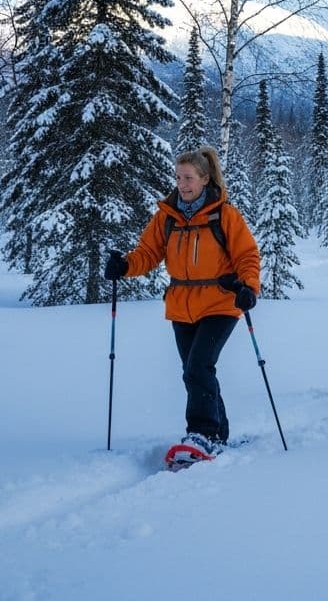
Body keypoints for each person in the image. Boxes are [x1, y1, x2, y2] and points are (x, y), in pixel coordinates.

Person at [105, 146, 260, 462]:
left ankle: (201, 434)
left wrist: (249, 287)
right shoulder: (167, 217)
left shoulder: (224, 214)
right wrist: (124, 265)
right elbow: (147, 253)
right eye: (178, 178)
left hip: (221, 301)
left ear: (204, 179)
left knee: (197, 367)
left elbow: (247, 256)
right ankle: (218, 435)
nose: (182, 184)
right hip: (181, 304)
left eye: (188, 178)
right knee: (197, 370)